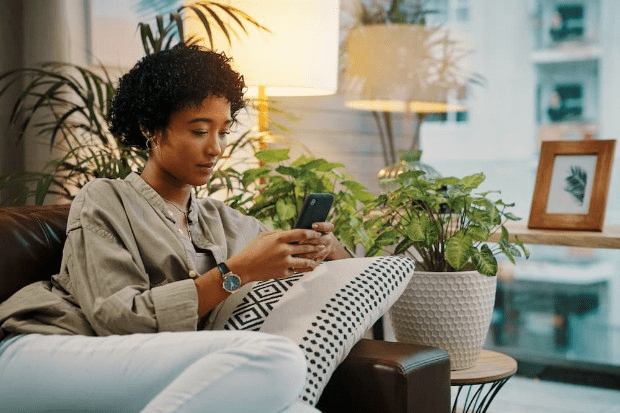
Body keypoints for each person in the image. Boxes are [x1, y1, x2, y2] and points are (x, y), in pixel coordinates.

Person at [0, 44, 414, 412]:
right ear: (150, 128)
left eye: (222, 131)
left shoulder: (224, 220)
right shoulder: (105, 198)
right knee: (278, 359)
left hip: (148, 367)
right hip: (48, 350)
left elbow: (325, 270)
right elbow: (116, 320)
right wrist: (236, 274)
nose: (215, 148)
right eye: (199, 131)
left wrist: (326, 248)